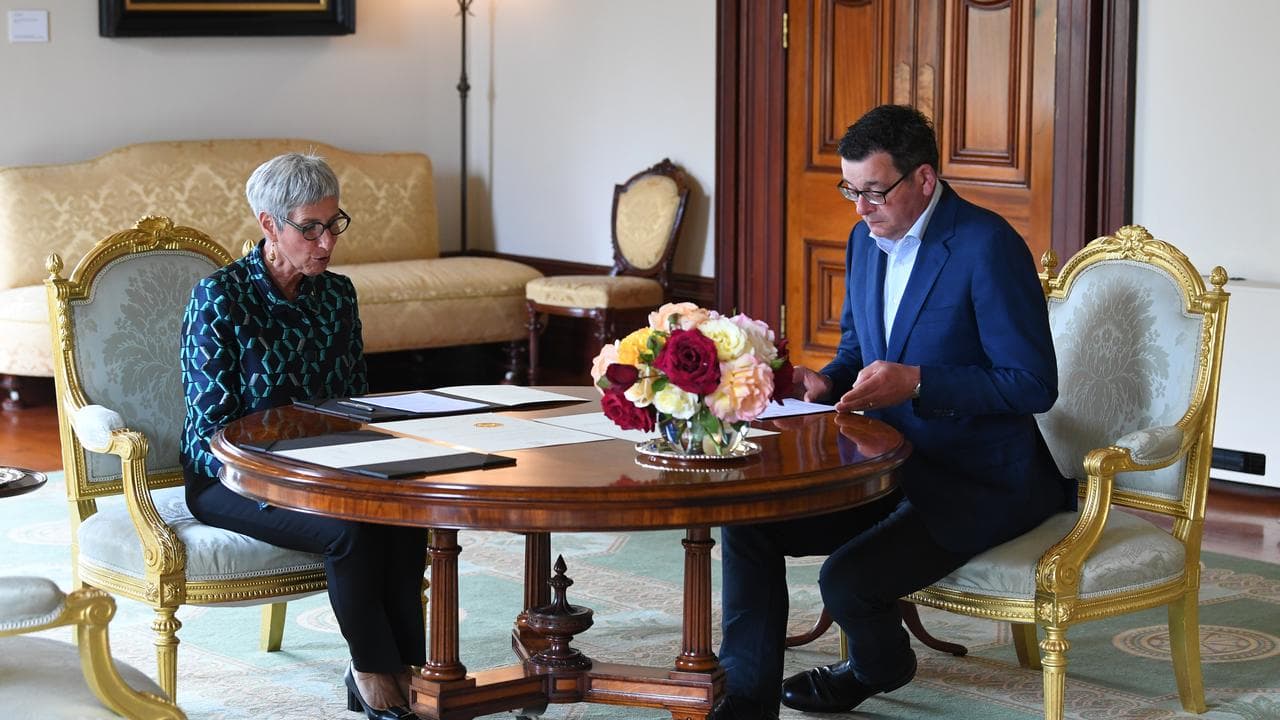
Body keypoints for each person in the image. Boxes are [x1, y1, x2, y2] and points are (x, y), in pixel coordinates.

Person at [711, 105, 1074, 720]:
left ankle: (881, 664)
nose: (859, 208)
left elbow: (1033, 384)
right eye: (850, 190)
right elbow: (860, 348)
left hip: (975, 479)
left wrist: (918, 382)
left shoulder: (987, 247)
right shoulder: (864, 240)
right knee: (749, 522)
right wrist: (824, 379)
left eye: (874, 191)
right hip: (881, 465)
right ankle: (745, 703)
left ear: (924, 180)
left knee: (848, 579)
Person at [181, 153, 426, 720]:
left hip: (325, 466)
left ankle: (407, 667)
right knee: (349, 531)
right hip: (231, 477)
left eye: (333, 224)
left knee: (406, 513)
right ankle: (368, 669)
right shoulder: (219, 298)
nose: (326, 242)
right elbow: (212, 428)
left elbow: (351, 400)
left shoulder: (337, 295)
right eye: (309, 228)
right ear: (269, 225)